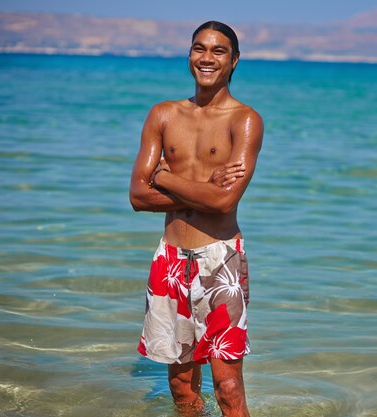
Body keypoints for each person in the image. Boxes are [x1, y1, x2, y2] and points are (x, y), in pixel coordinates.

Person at [129, 20, 263, 417]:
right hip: (169, 261)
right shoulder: (163, 115)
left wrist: (166, 177)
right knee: (182, 388)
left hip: (219, 259)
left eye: (218, 51)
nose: (207, 58)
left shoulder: (245, 120)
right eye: (199, 48)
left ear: (234, 61)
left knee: (227, 386)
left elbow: (224, 203)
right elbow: (137, 195)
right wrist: (205, 188)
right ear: (189, 55)